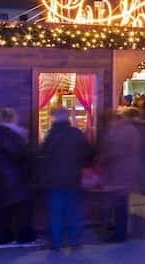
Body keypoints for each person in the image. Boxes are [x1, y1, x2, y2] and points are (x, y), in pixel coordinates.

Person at [0, 108, 38, 248]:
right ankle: (24, 238)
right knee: (24, 209)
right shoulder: (8, 133)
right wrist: (25, 142)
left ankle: (2, 238)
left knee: (1, 210)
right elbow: (18, 154)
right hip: (12, 177)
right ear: (10, 118)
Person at [39, 106, 93, 250]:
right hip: (73, 178)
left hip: (53, 180)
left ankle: (56, 242)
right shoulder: (77, 133)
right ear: (68, 117)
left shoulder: (50, 136)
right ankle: (75, 241)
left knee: (55, 213)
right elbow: (87, 154)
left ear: (53, 118)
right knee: (74, 211)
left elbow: (42, 156)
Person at [99, 108, 142, 242]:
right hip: (128, 171)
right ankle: (121, 231)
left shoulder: (117, 132)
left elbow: (114, 152)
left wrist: (103, 157)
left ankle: (120, 234)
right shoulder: (131, 129)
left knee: (119, 205)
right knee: (122, 204)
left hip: (119, 172)